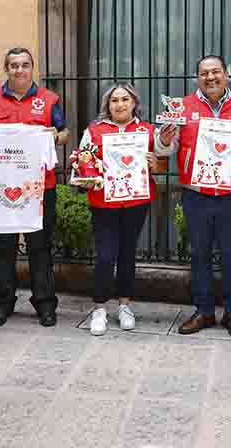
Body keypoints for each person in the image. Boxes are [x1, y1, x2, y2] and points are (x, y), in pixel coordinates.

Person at [156, 55, 231, 339]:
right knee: (199, 254)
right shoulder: (181, 107)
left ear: (227, 75)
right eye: (204, 73)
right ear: (197, 78)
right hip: (196, 195)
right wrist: (165, 139)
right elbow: (164, 149)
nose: (210, 77)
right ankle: (204, 311)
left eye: (216, 72)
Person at [0, 46, 69, 328]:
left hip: (39, 188)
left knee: (40, 247)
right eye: (13, 65)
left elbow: (64, 132)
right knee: (2, 248)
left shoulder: (49, 99)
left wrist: (56, 135)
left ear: (32, 68)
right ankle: (1, 304)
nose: (19, 70)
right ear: (7, 69)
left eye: (25, 65)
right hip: (1, 190)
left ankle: (45, 304)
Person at [72, 83, 156, 336]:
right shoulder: (94, 131)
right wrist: (85, 169)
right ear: (107, 105)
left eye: (125, 99)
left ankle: (124, 305)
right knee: (106, 255)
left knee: (128, 253)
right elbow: (82, 161)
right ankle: (99, 308)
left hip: (136, 202)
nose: (120, 104)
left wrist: (155, 163)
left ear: (134, 103)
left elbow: (161, 159)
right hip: (103, 201)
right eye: (114, 100)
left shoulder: (147, 131)